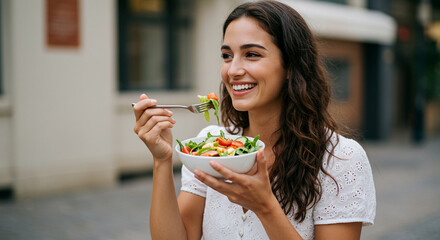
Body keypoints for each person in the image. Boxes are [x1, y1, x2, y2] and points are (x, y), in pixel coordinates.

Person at [132, 1, 376, 239]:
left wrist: (265, 207)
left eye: (251, 54)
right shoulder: (211, 145)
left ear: (290, 65)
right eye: (227, 55)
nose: (233, 70)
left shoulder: (340, 158)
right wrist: (161, 161)